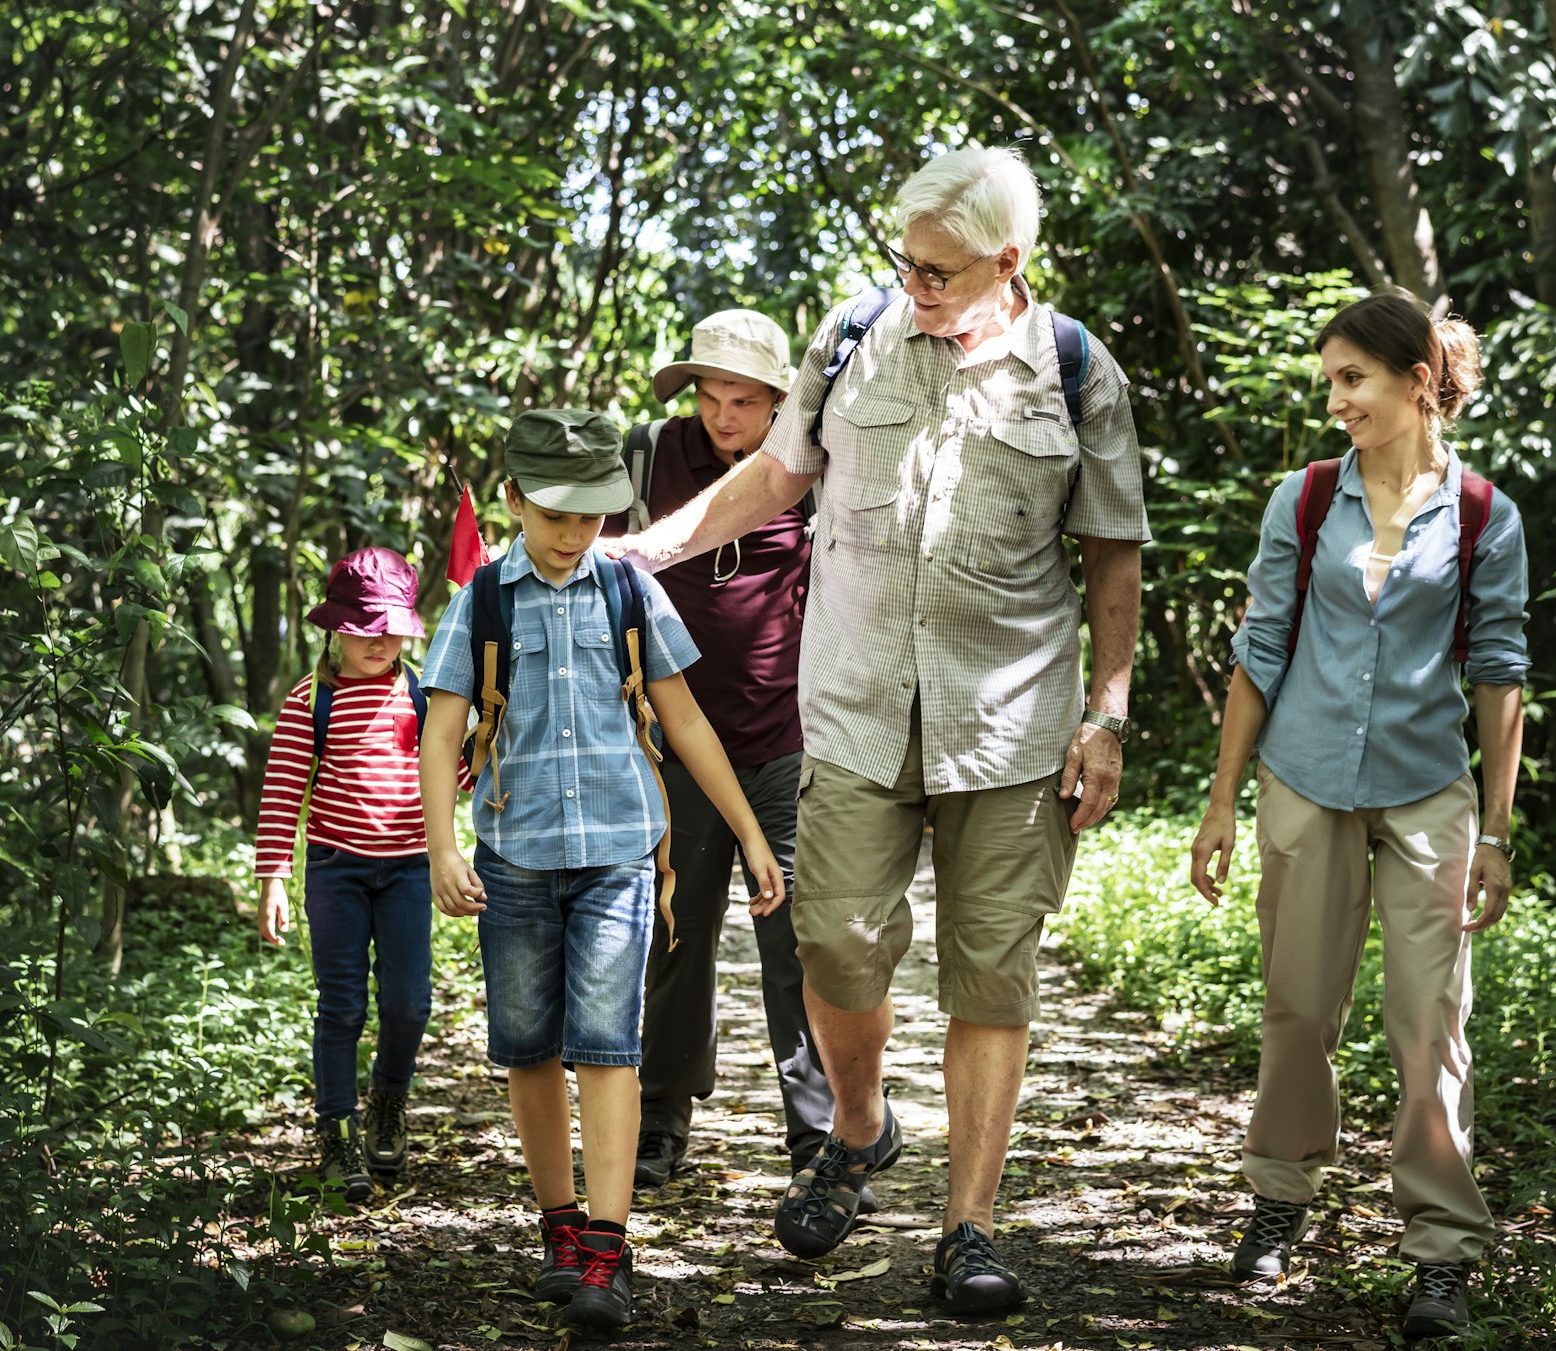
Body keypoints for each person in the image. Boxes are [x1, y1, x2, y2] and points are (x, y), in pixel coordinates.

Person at [610, 146, 1148, 1315]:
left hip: (1010, 724)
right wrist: (635, 551)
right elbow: (774, 478)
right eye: (903, 261)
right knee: (838, 943)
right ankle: (859, 1125)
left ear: (1008, 263)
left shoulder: (1073, 369)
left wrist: (1106, 714)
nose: (915, 282)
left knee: (989, 973)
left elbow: (1112, 549)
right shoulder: (854, 334)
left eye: (940, 270)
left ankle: (968, 1226)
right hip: (852, 707)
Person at [1188, 290, 1529, 1337]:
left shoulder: (1483, 514)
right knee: (1297, 1005)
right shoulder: (1301, 500)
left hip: (1429, 790)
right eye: (1328, 380)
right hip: (1302, 778)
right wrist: (1219, 802)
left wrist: (1497, 834)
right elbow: (1258, 654)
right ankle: (1275, 1204)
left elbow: (1498, 671)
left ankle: (1438, 1254)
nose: (1334, 400)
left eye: (1352, 379)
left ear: (1416, 382)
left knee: (1429, 1022)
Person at [417, 409, 786, 1332]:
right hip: (516, 858)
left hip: (621, 854)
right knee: (530, 1047)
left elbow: (687, 719)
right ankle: (559, 1226)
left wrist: (746, 830)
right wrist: (441, 847)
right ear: (514, 500)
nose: (574, 533)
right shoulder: (483, 600)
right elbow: (442, 733)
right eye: (556, 514)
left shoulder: (629, 592)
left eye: (591, 515)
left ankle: (608, 1250)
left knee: (608, 1044)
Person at [602, 311, 846, 1193]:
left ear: (781, 400)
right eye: (709, 396)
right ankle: (663, 1118)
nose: (723, 415)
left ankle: (817, 1133)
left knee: (797, 937)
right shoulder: (648, 458)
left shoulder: (811, 467)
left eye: (743, 399)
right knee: (678, 931)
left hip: (789, 736)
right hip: (674, 743)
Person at [253, 546, 442, 1203]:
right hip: (335, 870)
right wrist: (273, 877)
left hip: (408, 872)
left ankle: (388, 1098)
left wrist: (484, 745)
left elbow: (452, 775)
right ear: (336, 626)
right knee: (342, 1005)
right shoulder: (313, 697)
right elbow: (282, 790)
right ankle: (335, 1128)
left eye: (393, 628)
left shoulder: (418, 692)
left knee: (408, 1001)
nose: (381, 641)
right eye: (367, 628)